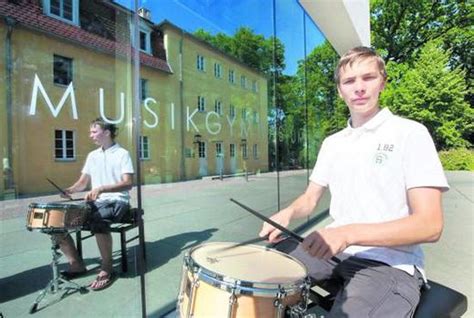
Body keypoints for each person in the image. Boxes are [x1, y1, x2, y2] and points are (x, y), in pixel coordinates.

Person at [259, 46, 449, 317]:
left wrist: (346, 234)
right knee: (256, 285)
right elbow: (310, 199)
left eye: (368, 77)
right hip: (332, 253)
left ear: (382, 81)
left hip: (389, 264)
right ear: (340, 90)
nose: (359, 87)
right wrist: (288, 212)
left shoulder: (410, 134)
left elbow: (430, 225)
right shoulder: (333, 143)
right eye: (349, 81)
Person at [56, 118, 134, 291]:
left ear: (106, 133)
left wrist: (102, 188)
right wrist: (70, 190)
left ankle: (107, 268)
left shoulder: (122, 154)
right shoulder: (93, 155)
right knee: (55, 222)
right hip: (96, 202)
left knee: (98, 220)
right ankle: (76, 264)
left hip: (117, 201)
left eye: (94, 131)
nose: (90, 135)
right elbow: (83, 183)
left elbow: (128, 183)